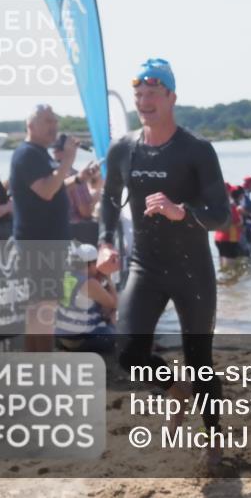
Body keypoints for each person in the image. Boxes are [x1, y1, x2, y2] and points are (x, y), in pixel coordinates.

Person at [96, 58, 230, 468]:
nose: (144, 100)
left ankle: (214, 442)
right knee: (128, 353)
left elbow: (221, 213)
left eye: (153, 93)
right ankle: (174, 387)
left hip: (192, 271)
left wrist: (182, 212)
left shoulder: (197, 150)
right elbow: (107, 200)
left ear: (172, 96)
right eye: (139, 94)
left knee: (200, 360)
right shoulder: (124, 149)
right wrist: (104, 242)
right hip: (145, 267)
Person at [11, 105, 94, 352]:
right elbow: (46, 191)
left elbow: (51, 186)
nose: (54, 126)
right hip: (38, 243)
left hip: (47, 242)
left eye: (56, 121)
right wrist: (68, 160)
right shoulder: (28, 153)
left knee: (41, 308)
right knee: (43, 309)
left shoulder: (39, 153)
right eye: (48, 121)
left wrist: (78, 179)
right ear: (31, 125)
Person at [55, 242, 117, 354]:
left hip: (61, 337)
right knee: (114, 315)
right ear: (90, 264)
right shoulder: (89, 283)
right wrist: (109, 279)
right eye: (97, 263)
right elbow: (113, 304)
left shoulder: (67, 275)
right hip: (79, 341)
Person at [51, 137, 101, 222]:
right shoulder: (76, 176)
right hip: (73, 230)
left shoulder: (46, 175)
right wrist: (97, 197)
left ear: (55, 152)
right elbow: (86, 213)